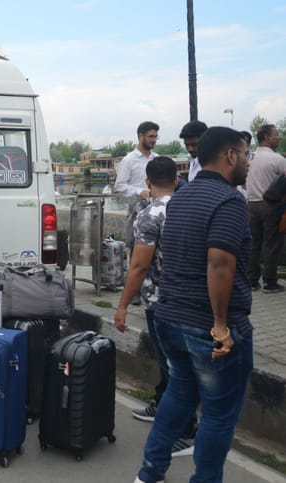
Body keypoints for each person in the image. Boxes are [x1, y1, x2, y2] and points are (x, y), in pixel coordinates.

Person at [134, 127, 253, 483]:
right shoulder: (230, 201)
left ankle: (149, 473)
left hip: (170, 316)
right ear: (230, 155)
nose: (248, 162)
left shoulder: (180, 198)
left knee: (178, 395)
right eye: (245, 155)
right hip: (208, 326)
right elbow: (219, 263)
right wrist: (221, 325)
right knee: (218, 414)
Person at [114, 156, 197, 458]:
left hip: (160, 302)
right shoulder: (191, 209)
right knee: (178, 366)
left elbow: (138, 267)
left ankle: (186, 432)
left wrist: (123, 305)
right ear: (176, 180)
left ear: (148, 183)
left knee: (172, 367)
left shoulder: (149, 215)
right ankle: (165, 408)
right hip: (191, 299)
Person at [115, 121, 159, 305]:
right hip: (137, 209)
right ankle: (133, 292)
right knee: (136, 249)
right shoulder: (129, 160)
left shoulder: (156, 159)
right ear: (141, 136)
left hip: (156, 209)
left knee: (155, 251)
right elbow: (119, 186)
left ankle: (152, 289)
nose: (154, 140)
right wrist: (139, 191)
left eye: (156, 136)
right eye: (151, 136)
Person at [246, 124, 286, 293]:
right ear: (267, 138)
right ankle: (270, 282)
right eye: (276, 134)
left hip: (251, 205)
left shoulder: (250, 158)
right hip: (271, 206)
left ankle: (252, 280)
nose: (279, 137)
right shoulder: (277, 159)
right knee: (272, 243)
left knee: (254, 244)